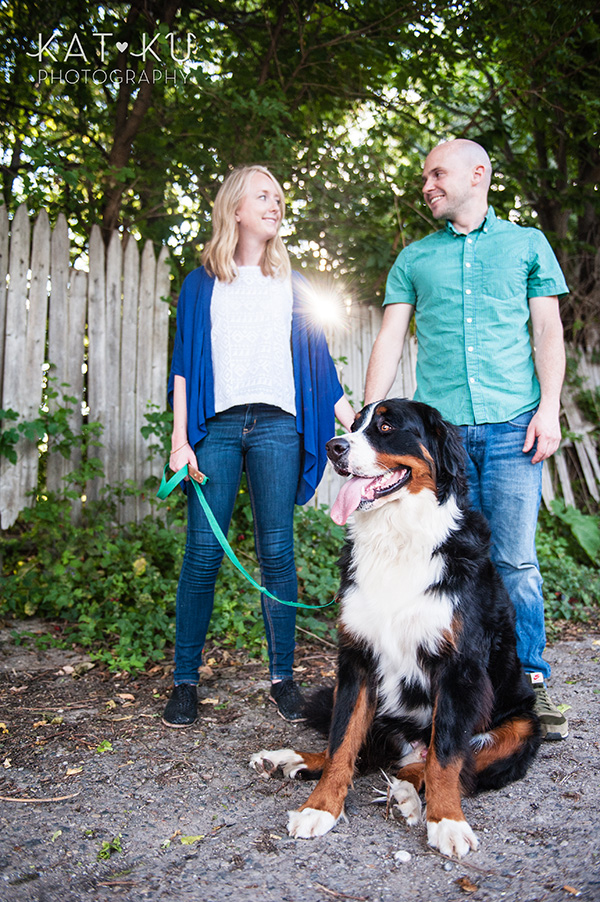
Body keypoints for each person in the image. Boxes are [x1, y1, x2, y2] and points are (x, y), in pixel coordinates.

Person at [364, 138, 569, 740]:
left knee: (515, 561)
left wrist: (550, 409)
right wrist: (369, 423)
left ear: (477, 174)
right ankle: (459, 690)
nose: (426, 184)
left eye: (436, 173)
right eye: (424, 175)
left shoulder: (528, 245)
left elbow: (547, 332)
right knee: (454, 566)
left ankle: (528, 688)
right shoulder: (414, 259)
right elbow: (390, 340)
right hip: (444, 442)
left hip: (513, 428)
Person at [163, 164, 355, 728]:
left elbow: (320, 370)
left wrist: (357, 425)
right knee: (202, 554)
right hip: (215, 429)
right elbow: (182, 371)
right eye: (263, 196)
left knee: (278, 554)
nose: (275, 204)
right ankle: (184, 681)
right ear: (236, 209)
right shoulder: (201, 284)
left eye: (279, 197)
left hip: (279, 427)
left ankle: (283, 678)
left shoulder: (293, 285)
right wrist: (180, 441)